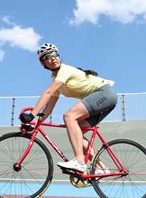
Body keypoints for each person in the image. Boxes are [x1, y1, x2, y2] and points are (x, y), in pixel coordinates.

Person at [19, 43, 117, 172]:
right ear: (43, 63)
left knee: (69, 116)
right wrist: (34, 123)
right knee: (77, 134)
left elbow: (48, 92)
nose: (53, 58)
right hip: (101, 100)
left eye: (55, 55)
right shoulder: (56, 79)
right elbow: (48, 108)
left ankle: (79, 161)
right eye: (48, 56)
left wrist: (32, 114)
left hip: (104, 94)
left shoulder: (64, 71)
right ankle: (102, 168)